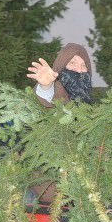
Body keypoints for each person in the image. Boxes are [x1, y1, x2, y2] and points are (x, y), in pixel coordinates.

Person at [25, 43, 93, 203]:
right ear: (60, 67)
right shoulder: (57, 90)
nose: (78, 69)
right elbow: (45, 105)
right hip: (48, 175)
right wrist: (45, 85)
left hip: (81, 176)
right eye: (72, 63)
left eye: (84, 66)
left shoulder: (87, 106)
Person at [27, 42, 93, 107]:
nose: (79, 70)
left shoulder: (86, 102)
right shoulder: (58, 90)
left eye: (83, 65)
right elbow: (47, 99)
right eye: (72, 63)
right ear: (61, 65)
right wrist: (46, 86)